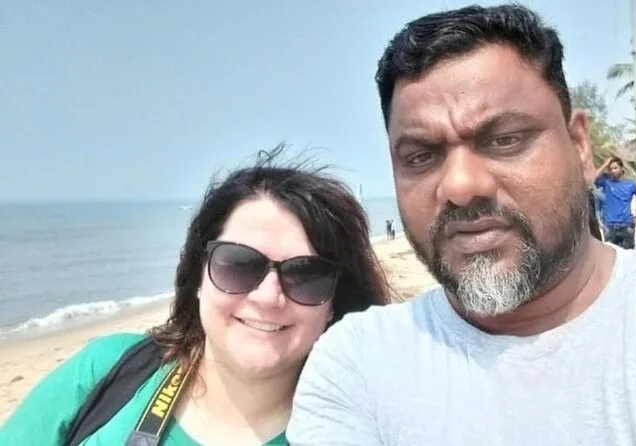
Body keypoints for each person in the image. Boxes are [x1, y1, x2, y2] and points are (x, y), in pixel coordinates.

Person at [287, 5, 636, 446]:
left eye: (505, 139)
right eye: (421, 156)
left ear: (580, 146)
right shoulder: (358, 365)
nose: (461, 186)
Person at [1, 146, 389, 445]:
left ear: (334, 303)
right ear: (198, 278)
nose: (268, 296)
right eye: (239, 264)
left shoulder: (353, 432)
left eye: (305, 274)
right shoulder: (108, 371)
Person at [594, 156, 636, 249]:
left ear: (621, 168)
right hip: (610, 226)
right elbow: (592, 178)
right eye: (610, 169)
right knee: (611, 255)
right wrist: (605, 164)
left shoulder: (632, 184)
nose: (613, 171)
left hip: (627, 225)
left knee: (628, 255)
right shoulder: (607, 183)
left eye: (615, 168)